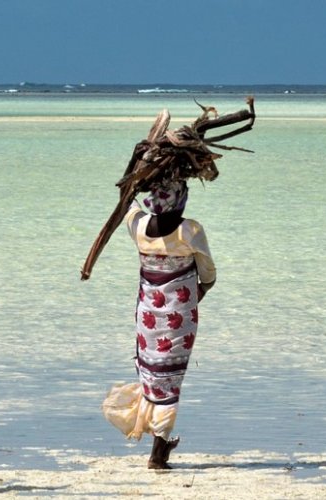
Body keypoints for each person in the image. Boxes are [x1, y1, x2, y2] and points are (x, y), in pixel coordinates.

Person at [102, 177, 215, 469]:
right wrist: (195, 292)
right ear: (179, 202)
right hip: (179, 319)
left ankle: (159, 442)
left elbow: (127, 201)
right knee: (170, 380)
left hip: (147, 315)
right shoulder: (190, 230)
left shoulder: (138, 227)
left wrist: (139, 176)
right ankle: (159, 453)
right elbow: (208, 273)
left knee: (154, 374)